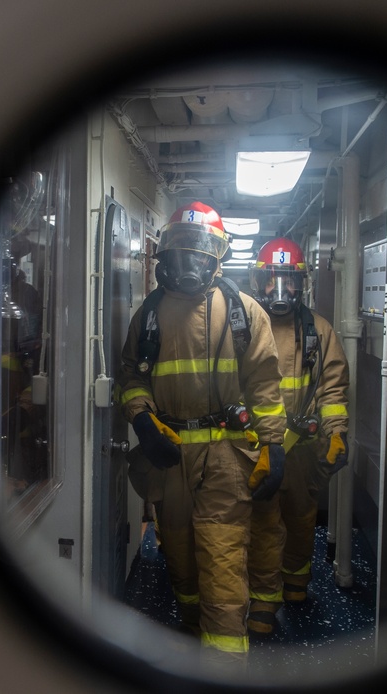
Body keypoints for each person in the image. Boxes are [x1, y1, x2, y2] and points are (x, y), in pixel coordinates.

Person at [117, 202, 287, 670]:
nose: (190, 260)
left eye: (201, 250)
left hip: (226, 456)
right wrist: (142, 420)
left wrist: (273, 445)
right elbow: (131, 375)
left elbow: (266, 387)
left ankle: (225, 667)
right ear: (165, 252)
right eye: (183, 249)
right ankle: (194, 637)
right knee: (180, 557)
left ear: (217, 256)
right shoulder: (147, 316)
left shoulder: (242, 311)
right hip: (169, 458)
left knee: (222, 558)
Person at [245, 237, 351, 635]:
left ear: (301, 283)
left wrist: (336, 432)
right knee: (263, 521)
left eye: (287, 280)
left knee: (302, 518)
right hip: (259, 445)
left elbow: (333, 389)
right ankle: (263, 600)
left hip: (304, 448)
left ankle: (295, 584)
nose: (279, 289)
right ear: (258, 281)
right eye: (271, 279)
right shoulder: (247, 325)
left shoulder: (319, 332)